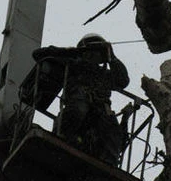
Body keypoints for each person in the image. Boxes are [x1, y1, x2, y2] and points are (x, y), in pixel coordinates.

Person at [32, 33, 131, 166]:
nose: (93, 57)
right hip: (77, 107)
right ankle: (65, 139)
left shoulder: (104, 75)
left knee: (112, 127)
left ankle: (108, 163)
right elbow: (38, 54)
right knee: (80, 108)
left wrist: (112, 57)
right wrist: (74, 52)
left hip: (100, 113)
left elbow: (123, 80)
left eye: (98, 54)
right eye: (91, 52)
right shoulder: (73, 65)